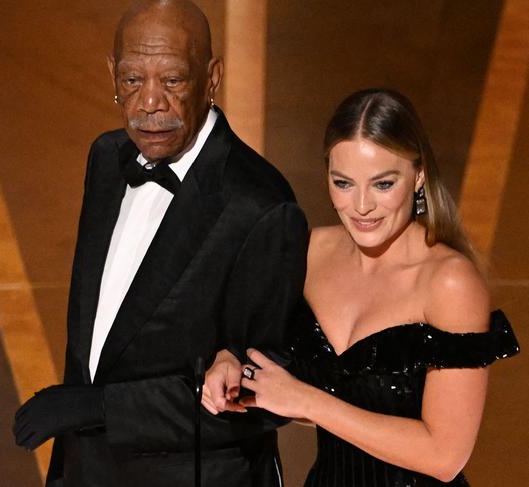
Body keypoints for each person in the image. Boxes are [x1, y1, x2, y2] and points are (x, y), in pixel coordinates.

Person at [12, 1, 308, 486]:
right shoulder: (108, 159)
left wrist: (96, 407)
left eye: (172, 81)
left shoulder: (261, 207)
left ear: (211, 78)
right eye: (132, 80)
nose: (150, 102)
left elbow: (262, 397)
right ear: (112, 74)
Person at [204, 88, 520, 486]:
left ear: (418, 176)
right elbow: (272, 370)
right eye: (344, 183)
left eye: (383, 184)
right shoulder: (308, 252)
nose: (362, 206)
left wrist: (309, 401)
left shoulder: (449, 283)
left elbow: (444, 455)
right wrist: (231, 367)